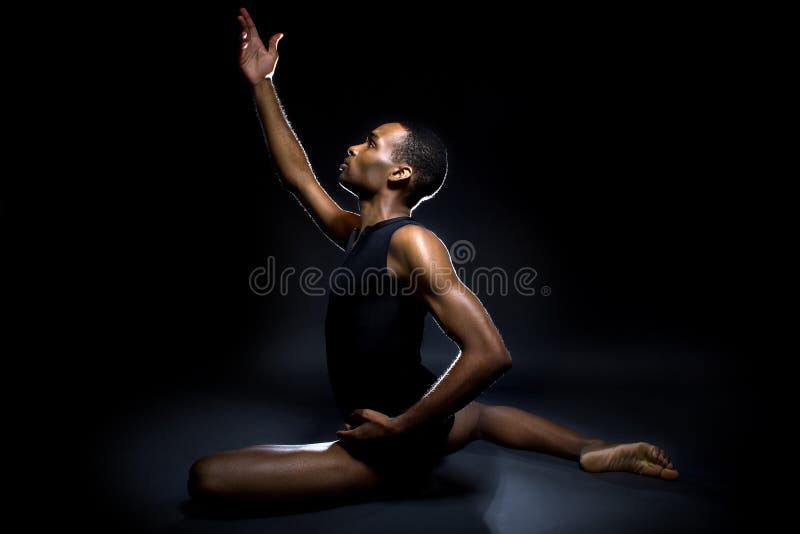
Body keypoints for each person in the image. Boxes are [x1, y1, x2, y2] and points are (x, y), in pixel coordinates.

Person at [186, 7, 679, 512]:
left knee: (208, 478)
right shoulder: (360, 233)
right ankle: (590, 448)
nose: (354, 146)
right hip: (423, 413)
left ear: (399, 173)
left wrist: (401, 428)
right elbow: (298, 177)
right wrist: (263, 83)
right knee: (481, 418)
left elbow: (490, 353)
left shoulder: (412, 242)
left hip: (394, 439)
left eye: (371, 142)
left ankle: (389, 473)